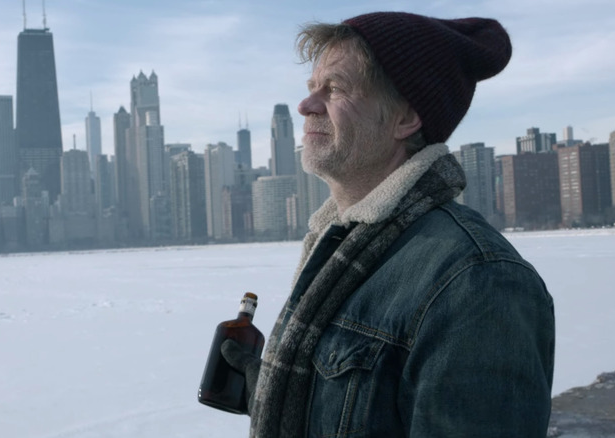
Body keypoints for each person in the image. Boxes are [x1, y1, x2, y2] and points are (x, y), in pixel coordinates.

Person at [222, 11, 555, 437]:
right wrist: (280, 394)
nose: (306, 106)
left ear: (405, 118)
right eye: (311, 89)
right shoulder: (344, 247)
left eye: (335, 88)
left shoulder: (478, 281)